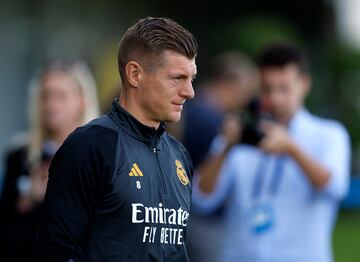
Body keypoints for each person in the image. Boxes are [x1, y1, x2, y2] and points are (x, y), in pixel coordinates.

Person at [36, 17, 198, 261]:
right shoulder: (89, 146)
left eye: (191, 79)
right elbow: (56, 251)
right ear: (135, 74)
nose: (189, 92)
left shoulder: (179, 155)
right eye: (177, 78)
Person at [192, 43, 351, 262]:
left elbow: (334, 187)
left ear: (304, 84)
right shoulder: (240, 135)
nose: (275, 99)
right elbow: (202, 199)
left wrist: (292, 149)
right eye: (267, 89)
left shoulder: (329, 134)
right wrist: (226, 148)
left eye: (284, 88)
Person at [0, 59, 99, 261]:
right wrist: (28, 202)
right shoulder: (19, 157)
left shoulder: (100, 156)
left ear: (82, 100)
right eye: (45, 95)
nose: (51, 105)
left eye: (61, 96)